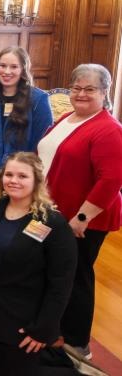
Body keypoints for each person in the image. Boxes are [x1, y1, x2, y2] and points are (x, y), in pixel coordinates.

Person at [37, 63, 122, 360]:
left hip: (83, 221)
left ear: (104, 92)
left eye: (90, 89)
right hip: (55, 213)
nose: (81, 94)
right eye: (77, 88)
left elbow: (111, 179)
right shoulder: (66, 118)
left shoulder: (108, 129)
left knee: (77, 279)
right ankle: (56, 328)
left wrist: (82, 218)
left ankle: (78, 345)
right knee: (59, 274)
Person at [0, 153, 77, 375]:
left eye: (22, 176)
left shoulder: (54, 224)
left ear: (37, 181)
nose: (13, 180)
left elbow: (61, 284)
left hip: (23, 320)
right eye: (8, 174)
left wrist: (43, 329)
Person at [0, 46, 52, 193]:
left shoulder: (39, 99)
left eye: (14, 67)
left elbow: (42, 145)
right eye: (3, 66)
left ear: (23, 70)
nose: (7, 72)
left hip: (21, 180)